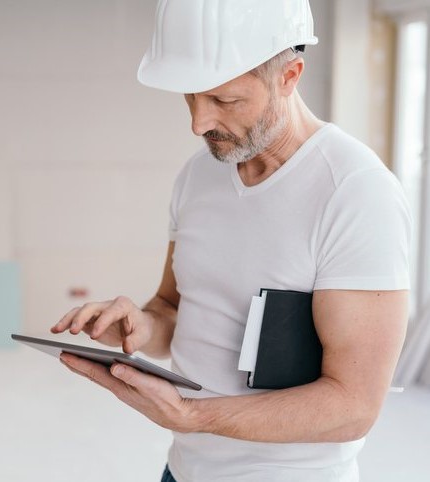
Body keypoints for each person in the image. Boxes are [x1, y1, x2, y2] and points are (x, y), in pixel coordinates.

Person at [51, 1, 411, 481]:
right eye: (190, 96)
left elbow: (353, 405)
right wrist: (139, 323)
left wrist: (193, 415)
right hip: (182, 470)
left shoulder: (356, 193)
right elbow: (173, 308)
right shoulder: (199, 175)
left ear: (290, 75)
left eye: (224, 100)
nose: (198, 123)